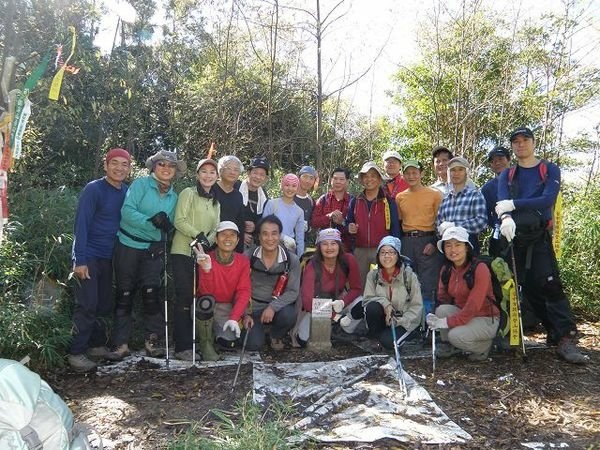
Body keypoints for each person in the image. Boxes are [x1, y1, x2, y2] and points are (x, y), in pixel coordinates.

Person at [496, 127, 587, 364]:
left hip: (539, 238)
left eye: (525, 140)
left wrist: (513, 206)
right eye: (515, 141)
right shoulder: (507, 175)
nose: (520, 144)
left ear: (533, 143)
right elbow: (500, 205)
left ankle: (566, 337)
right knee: (518, 287)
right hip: (515, 238)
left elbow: (547, 199)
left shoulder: (549, 169)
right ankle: (539, 333)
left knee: (550, 284)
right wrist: (505, 219)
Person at [111, 150, 185, 359]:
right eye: (162, 164)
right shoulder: (141, 185)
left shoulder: (174, 196)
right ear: (154, 167)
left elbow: (169, 224)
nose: (166, 169)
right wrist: (151, 221)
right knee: (125, 293)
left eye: (171, 166)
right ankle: (120, 344)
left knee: (152, 294)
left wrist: (166, 225)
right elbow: (127, 211)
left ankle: (153, 341)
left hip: (154, 249)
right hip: (128, 244)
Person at [68, 148, 131, 372]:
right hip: (89, 255)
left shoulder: (126, 192)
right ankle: (76, 353)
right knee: (87, 304)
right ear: (106, 165)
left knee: (103, 303)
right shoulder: (94, 189)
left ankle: (95, 346)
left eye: (124, 164)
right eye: (115, 163)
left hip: (108, 257)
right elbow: (81, 225)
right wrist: (79, 259)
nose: (119, 168)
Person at [170, 158, 220, 361]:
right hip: (182, 251)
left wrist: (207, 241)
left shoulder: (215, 201)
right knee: (183, 298)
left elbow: (216, 228)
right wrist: (198, 235)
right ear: (198, 175)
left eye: (212, 172)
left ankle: (196, 343)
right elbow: (179, 220)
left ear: (217, 177)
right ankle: (182, 347)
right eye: (204, 172)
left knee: (197, 299)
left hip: (201, 255)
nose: (208, 176)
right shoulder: (188, 193)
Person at [426, 226, 500, 361]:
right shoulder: (447, 270)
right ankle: (452, 346)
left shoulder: (479, 268)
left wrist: (446, 323)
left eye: (458, 244)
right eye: (448, 245)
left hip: (486, 318)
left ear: (467, 247)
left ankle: (484, 347)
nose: (453, 250)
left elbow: (473, 307)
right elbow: (442, 299)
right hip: (464, 314)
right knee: (441, 310)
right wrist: (433, 315)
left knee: (455, 335)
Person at [347, 236, 423, 349]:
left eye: (391, 252)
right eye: (383, 252)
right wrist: (386, 305)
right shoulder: (373, 275)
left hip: (406, 322)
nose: (387, 256)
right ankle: (377, 337)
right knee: (372, 307)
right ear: (378, 256)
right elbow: (368, 299)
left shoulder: (409, 276)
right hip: (385, 321)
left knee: (388, 342)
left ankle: (407, 337)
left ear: (398, 256)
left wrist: (399, 321)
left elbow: (417, 307)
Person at [194, 221, 252, 355]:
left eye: (232, 235)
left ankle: (216, 335)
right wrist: (206, 270)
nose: (227, 238)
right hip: (205, 306)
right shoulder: (206, 258)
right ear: (216, 238)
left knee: (229, 342)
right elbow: (204, 293)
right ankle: (205, 342)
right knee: (205, 303)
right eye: (223, 234)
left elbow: (244, 291)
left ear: (238, 240)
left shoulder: (243, 261)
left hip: (227, 307)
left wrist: (234, 317)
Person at [296, 228, 362, 345]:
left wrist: (342, 302)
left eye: (333, 243)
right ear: (319, 247)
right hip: (316, 306)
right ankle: (335, 324)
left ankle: (343, 330)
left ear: (339, 245)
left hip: (337, 301)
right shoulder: (313, 265)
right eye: (325, 244)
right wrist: (335, 316)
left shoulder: (348, 260)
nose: (329, 248)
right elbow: (307, 302)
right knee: (303, 339)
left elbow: (356, 288)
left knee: (361, 303)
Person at [245, 215, 300, 351]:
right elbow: (238, 288)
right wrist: (245, 314)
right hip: (253, 308)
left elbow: (293, 291)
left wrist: (272, 307)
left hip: (278, 308)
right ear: (259, 236)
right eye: (265, 234)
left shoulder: (291, 260)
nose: (270, 239)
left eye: (274, 234)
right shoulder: (247, 257)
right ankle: (258, 331)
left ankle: (276, 335)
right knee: (253, 345)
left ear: (280, 235)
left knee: (289, 315)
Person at [395, 160, 443, 307]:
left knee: (428, 281)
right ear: (403, 176)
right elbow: (399, 222)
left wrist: (435, 242)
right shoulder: (400, 197)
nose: (411, 176)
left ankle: (428, 320)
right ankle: (411, 319)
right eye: (408, 173)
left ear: (421, 173)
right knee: (407, 279)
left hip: (427, 240)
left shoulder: (434, 195)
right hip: (407, 241)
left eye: (415, 172)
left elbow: (440, 222)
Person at [347, 161, 400, 284]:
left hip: (383, 249)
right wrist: (350, 227)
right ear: (361, 180)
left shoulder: (388, 201)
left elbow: (395, 227)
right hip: (360, 250)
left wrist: (395, 250)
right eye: (365, 176)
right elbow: (349, 222)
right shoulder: (355, 201)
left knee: (385, 284)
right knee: (359, 285)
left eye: (373, 176)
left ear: (379, 179)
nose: (369, 179)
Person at [436, 156, 487, 254]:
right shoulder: (446, 200)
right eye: (453, 170)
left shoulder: (475, 195)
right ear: (449, 173)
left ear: (466, 173)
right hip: (448, 247)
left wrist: (455, 225)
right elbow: (438, 225)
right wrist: (440, 230)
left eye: (460, 169)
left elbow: (481, 222)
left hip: (469, 245)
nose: (456, 173)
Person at [311, 168, 353, 252]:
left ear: (347, 182)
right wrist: (329, 217)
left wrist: (342, 222)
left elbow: (356, 227)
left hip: (345, 248)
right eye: (335, 178)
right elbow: (313, 222)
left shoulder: (353, 201)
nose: (338, 182)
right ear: (331, 180)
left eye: (341, 179)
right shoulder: (323, 199)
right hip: (324, 248)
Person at [262, 174, 305, 256]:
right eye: (287, 185)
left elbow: (300, 238)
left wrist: (300, 259)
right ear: (282, 186)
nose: (290, 189)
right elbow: (263, 227)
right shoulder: (272, 204)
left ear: (297, 188)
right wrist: (283, 237)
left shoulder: (299, 211)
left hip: (289, 250)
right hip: (269, 246)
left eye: (294, 186)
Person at [481, 146, 511, 256]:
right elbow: (485, 214)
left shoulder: (522, 180)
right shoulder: (487, 188)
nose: (497, 163)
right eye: (493, 161)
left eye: (501, 159)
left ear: (509, 159)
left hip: (525, 234)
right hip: (499, 235)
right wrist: (496, 224)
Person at [213, 155, 245, 253]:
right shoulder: (210, 189)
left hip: (229, 245)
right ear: (220, 170)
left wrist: (239, 249)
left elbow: (240, 223)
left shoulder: (238, 196)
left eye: (236, 169)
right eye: (228, 168)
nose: (232, 172)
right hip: (209, 242)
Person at [236, 156, 270, 248]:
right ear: (248, 173)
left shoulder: (264, 195)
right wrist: (241, 232)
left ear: (265, 178)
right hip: (234, 236)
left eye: (262, 174)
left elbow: (264, 218)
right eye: (255, 173)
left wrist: (255, 226)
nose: (258, 177)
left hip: (254, 239)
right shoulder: (236, 187)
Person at [294, 165, 318, 246]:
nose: (308, 181)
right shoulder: (289, 197)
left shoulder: (311, 201)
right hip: (287, 242)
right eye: (305, 177)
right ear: (298, 177)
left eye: (311, 178)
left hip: (304, 243)